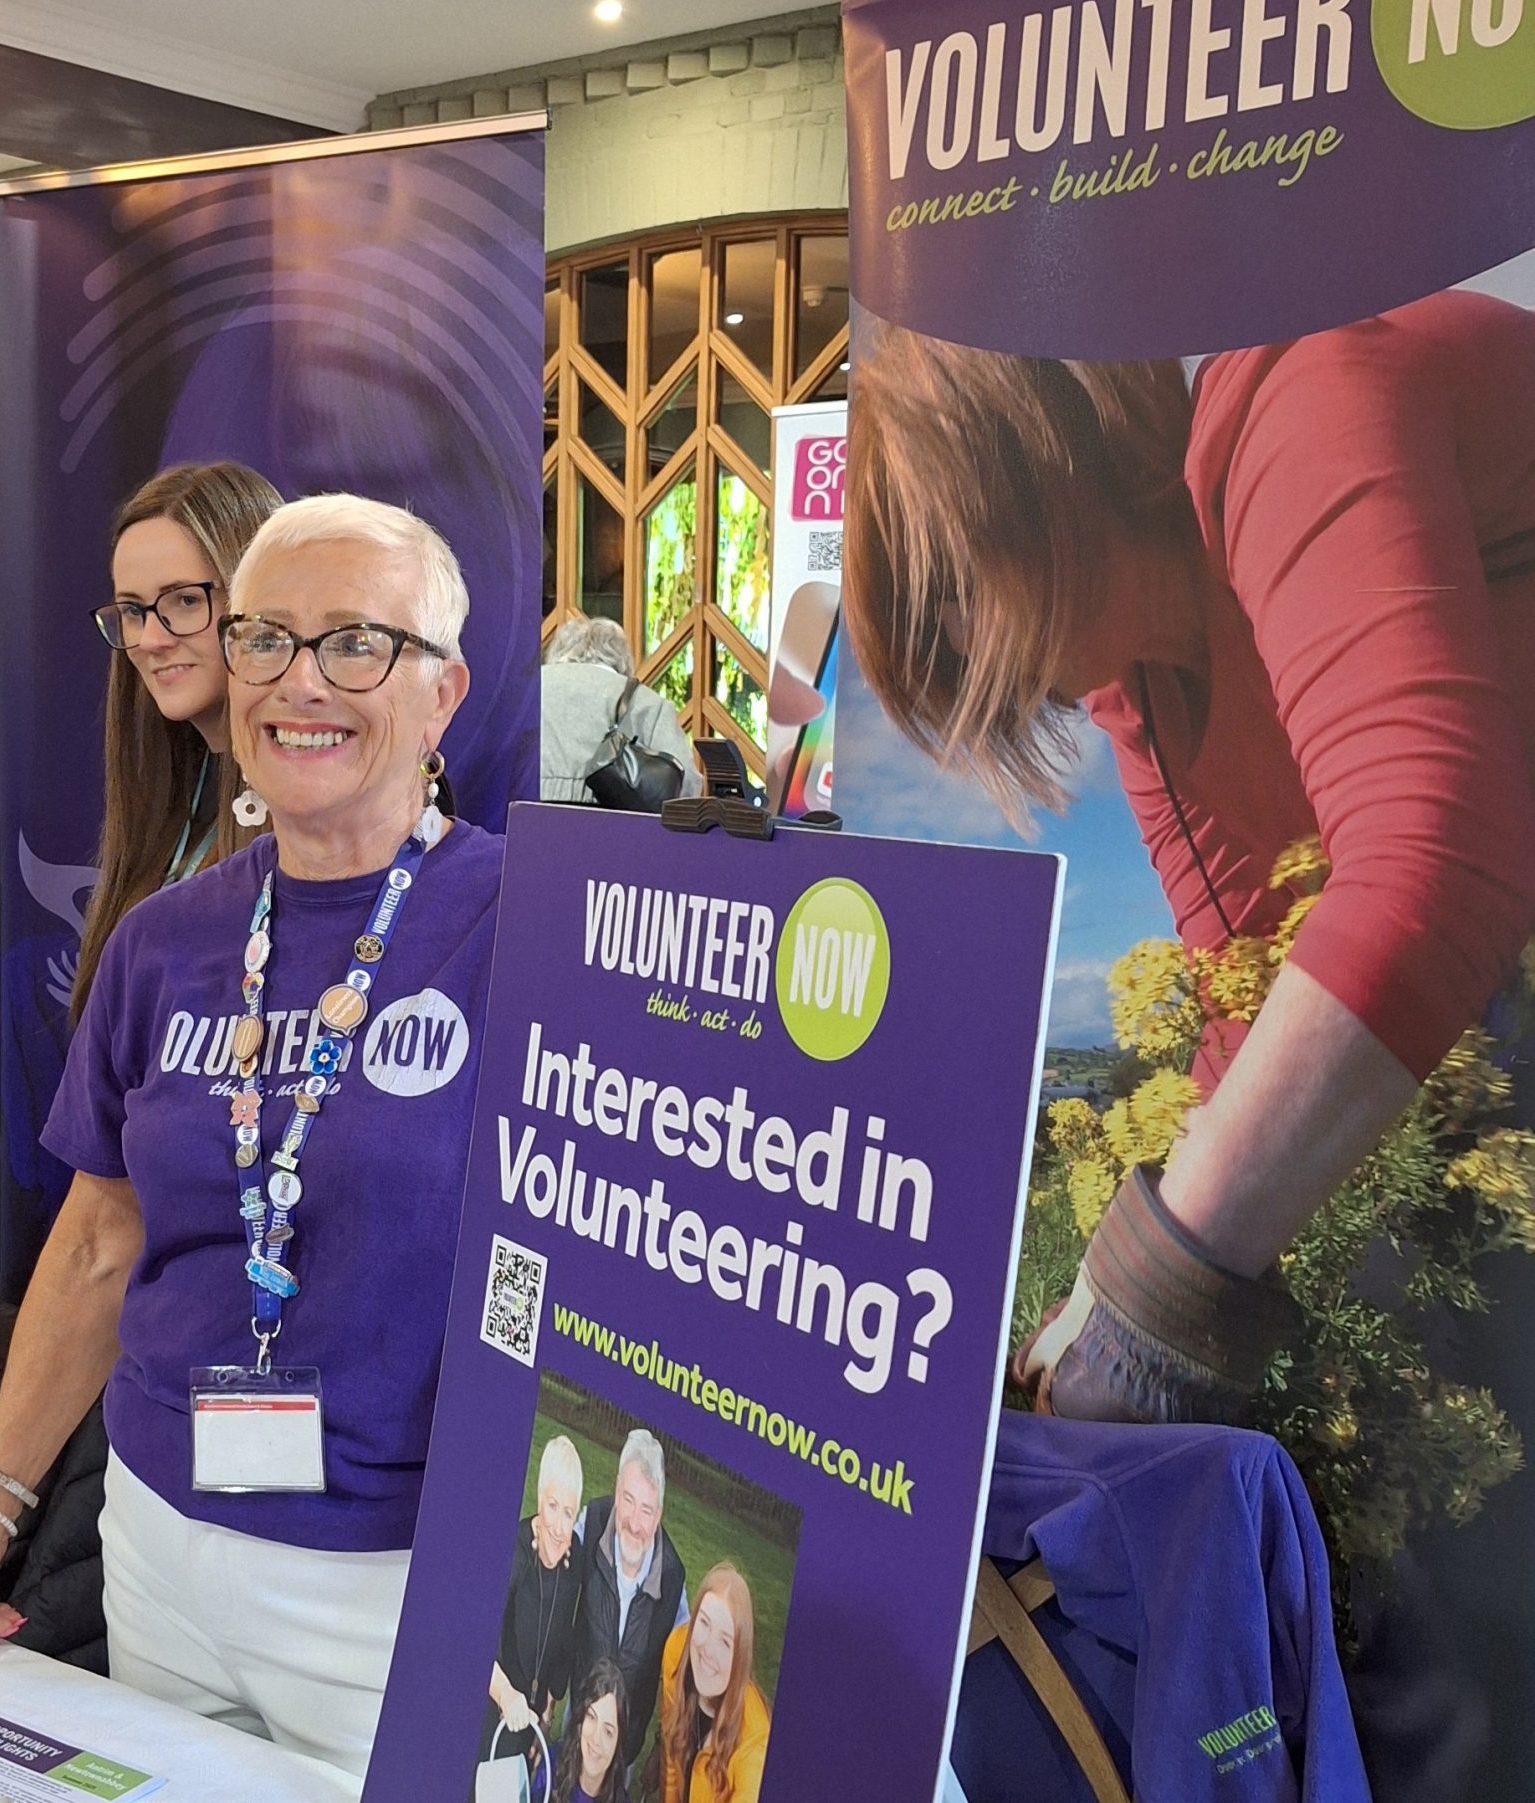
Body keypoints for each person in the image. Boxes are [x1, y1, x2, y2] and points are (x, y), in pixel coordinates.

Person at [844, 297, 1535, 1793]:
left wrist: (1143, 1307)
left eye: (950, 607)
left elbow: (1431, 866)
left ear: (1014, 469)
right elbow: (1254, 1004)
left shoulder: (1303, 392)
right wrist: (1093, 1292)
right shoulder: (1140, 685)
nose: (971, 678)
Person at [0, 495, 498, 1775]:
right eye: (266, 639)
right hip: (161, 1531)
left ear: (441, 696)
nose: (300, 681)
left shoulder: (529, 928)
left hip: (395, 1574)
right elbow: (102, 1237)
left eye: (356, 644)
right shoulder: (165, 943)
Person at [70, 461, 284, 1019]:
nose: (150, 639)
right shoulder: (170, 792)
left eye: (184, 600)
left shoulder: (325, 807)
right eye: (133, 611)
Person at [576, 1430, 687, 1785]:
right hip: (578, 1723)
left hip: (625, 1746)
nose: (636, 1524)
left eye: (647, 1509)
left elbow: (682, 1674)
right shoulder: (589, 1522)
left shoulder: (672, 1578)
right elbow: (549, 1580)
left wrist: (662, 1745)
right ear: (615, 1490)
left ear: (659, 1515)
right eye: (628, 1500)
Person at [489, 1435, 589, 1771]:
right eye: (552, 1506)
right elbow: (476, 1643)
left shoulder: (574, 1560)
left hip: (530, 1716)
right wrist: (505, 1695)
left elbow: (562, 1637)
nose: (560, 1528)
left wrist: (545, 1715)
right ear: (538, 1497)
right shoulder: (513, 1554)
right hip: (493, 1706)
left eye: (569, 1512)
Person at [539, 616, 700, 806]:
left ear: (557, 652)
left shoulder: (527, 691)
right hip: (615, 828)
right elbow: (684, 786)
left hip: (523, 821)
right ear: (622, 658)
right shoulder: (646, 703)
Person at [659, 1564, 772, 1803]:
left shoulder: (755, 1742)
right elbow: (671, 1754)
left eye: (725, 1642)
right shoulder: (676, 1652)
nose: (707, 1649)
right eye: (704, 1623)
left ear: (739, 1656)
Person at [552, 1660, 637, 1803]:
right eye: (592, 1717)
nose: (596, 1739)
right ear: (581, 1718)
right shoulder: (550, 1769)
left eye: (608, 1732)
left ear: (618, 1742)